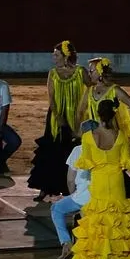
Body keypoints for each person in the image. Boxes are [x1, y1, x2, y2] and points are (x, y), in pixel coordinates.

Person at [67, 100, 130, 259]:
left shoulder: (88, 137)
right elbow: (127, 161)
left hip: (99, 182)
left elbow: (85, 162)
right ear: (114, 114)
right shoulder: (121, 136)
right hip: (116, 181)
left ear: (98, 114)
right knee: (117, 219)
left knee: (99, 220)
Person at [29, 41, 89, 202]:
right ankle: (45, 188)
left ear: (65, 56)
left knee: (72, 152)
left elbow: (91, 89)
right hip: (56, 118)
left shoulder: (81, 71)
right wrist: (59, 117)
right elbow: (51, 98)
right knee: (51, 152)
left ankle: (72, 188)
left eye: (56, 55)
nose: (53, 58)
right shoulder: (53, 73)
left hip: (76, 117)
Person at [76, 57, 130, 199]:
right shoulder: (90, 90)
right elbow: (80, 111)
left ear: (100, 73)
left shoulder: (114, 90)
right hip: (97, 134)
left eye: (91, 71)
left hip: (107, 134)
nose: (89, 74)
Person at [51, 121, 97, 259]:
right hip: (103, 197)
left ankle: (66, 243)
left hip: (83, 198)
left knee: (56, 209)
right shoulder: (106, 149)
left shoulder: (78, 150)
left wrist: (72, 195)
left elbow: (70, 180)